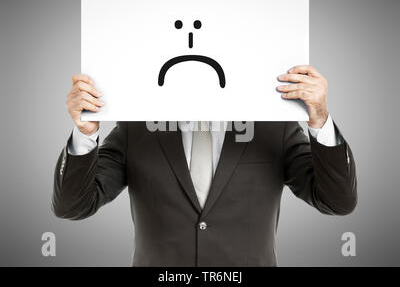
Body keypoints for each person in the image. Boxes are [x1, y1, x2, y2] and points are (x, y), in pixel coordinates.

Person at [53, 65, 357, 266]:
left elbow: (336, 201)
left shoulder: (273, 126)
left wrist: (320, 120)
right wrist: (85, 132)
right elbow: (73, 206)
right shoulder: (138, 127)